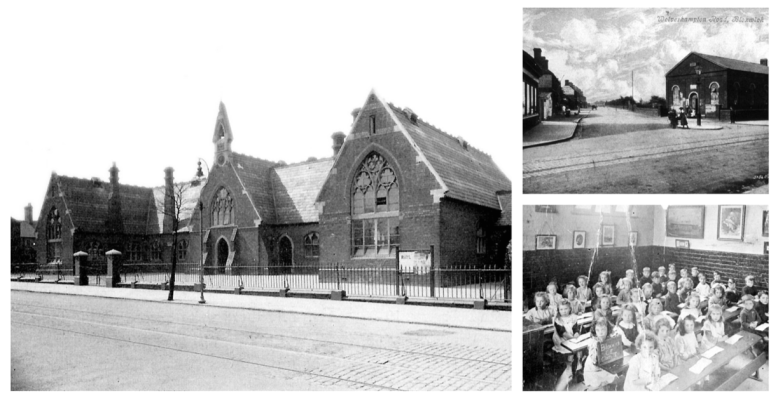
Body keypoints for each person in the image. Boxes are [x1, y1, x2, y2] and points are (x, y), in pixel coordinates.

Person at [583, 318, 619, 390]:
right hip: (593, 369)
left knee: (616, 379)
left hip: (606, 366)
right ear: (595, 331)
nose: (600, 333)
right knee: (597, 385)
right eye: (597, 330)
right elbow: (594, 361)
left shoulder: (609, 339)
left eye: (603, 329)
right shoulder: (593, 343)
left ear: (608, 330)